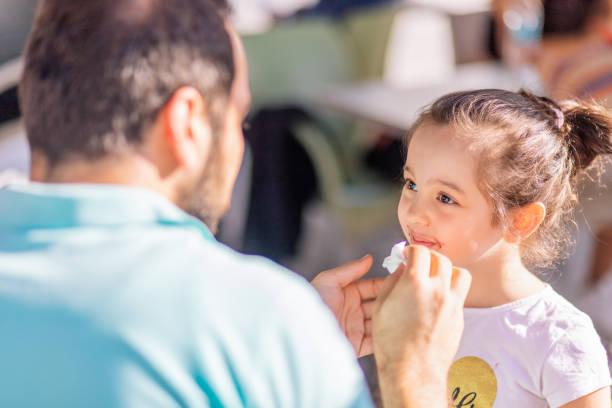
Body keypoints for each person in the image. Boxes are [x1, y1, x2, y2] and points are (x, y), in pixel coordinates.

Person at [0, 0, 472, 407]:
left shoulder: (266, 324)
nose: (240, 145)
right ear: (186, 124)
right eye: (238, 120)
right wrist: (416, 377)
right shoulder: (260, 323)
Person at [392, 88, 612, 407]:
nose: (414, 213)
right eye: (411, 184)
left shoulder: (557, 339)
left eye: (445, 198)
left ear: (520, 220)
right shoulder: (411, 302)